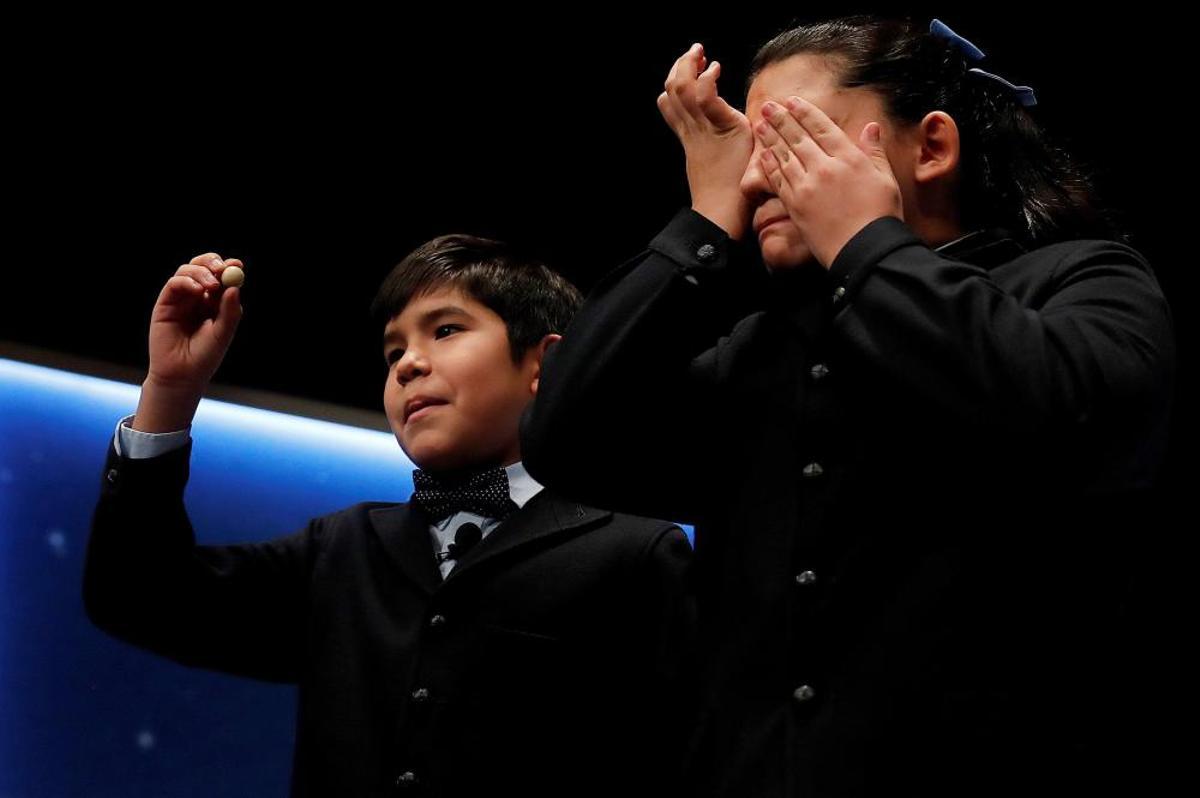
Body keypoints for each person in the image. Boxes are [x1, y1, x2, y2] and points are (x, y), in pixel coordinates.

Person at [522, 16, 1174, 797]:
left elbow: (1050, 411)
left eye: (792, 139)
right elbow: (567, 440)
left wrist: (866, 239)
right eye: (749, 158)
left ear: (931, 148)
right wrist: (702, 227)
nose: (758, 181)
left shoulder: (1087, 280)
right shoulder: (762, 348)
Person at [84, 235, 695, 798]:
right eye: (394, 349)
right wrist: (170, 388)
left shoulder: (636, 553)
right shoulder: (342, 547)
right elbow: (137, 595)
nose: (407, 364)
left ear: (545, 365)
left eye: (446, 330)